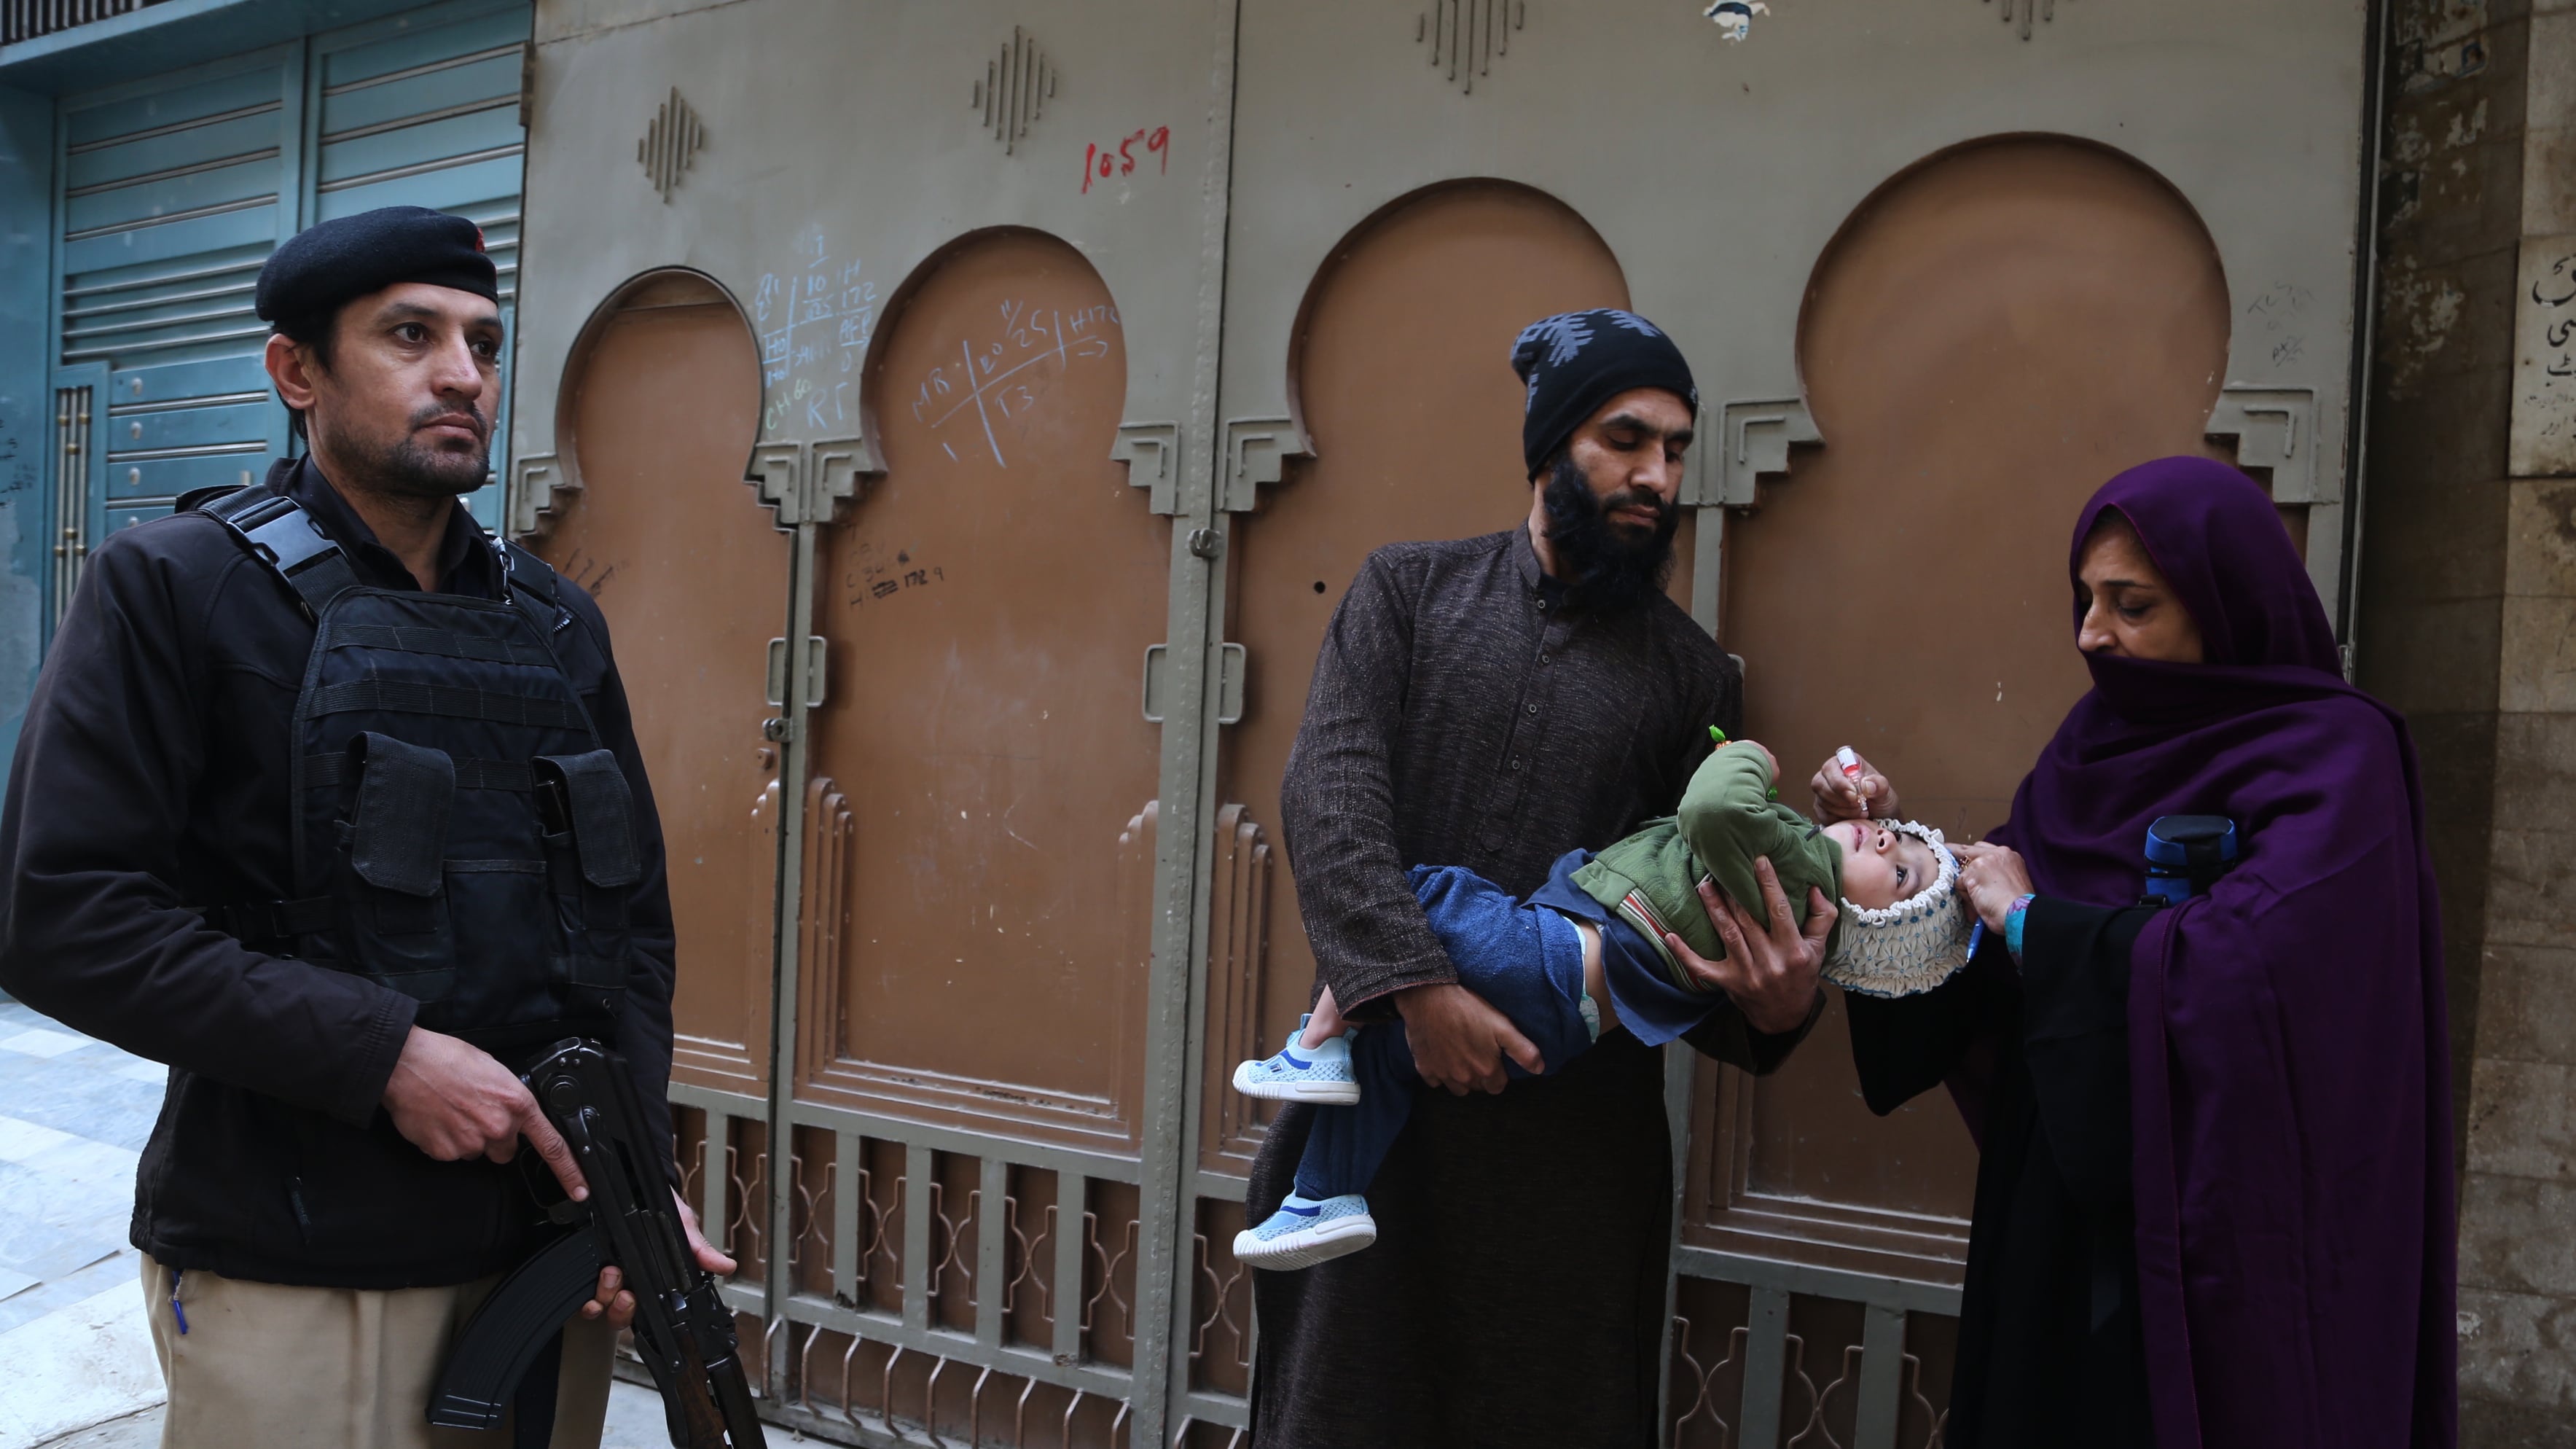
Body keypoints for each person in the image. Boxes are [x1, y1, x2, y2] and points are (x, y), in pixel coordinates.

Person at [0, 206, 731, 1449]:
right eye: (410, 335)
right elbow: (62, 915)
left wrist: (631, 1173)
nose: (463, 374)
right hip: (299, 1264)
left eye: (483, 344)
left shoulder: (558, 623)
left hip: (546, 1249)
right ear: (297, 371)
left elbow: (630, 934)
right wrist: (385, 1054)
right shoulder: (175, 586)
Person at [1248, 308, 1832, 1448]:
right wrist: (1417, 993)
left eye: (1673, 449)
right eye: (1624, 439)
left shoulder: (1692, 678)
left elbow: (1694, 912)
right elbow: (1330, 798)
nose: (1655, 475)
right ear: (1550, 443)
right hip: (1373, 1136)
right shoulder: (1406, 593)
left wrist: (1775, 1007)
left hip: (1567, 1172)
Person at [1839, 456, 2455, 1448]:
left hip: (2235, 1242)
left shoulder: (2336, 756)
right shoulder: (2091, 744)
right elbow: (1989, 946)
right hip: (2056, 1221)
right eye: (2084, 600)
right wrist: (1889, 864)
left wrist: (2036, 924)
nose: (2091, 634)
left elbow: (2259, 968)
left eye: (2131, 605)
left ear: (2224, 606)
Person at [1232, 737, 1973, 1268]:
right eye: (1897, 835)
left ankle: (1314, 1046)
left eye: (1902, 874)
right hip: (1564, 1029)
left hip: (1544, 961)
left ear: (1867, 929)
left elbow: (1713, 807)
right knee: (1382, 1060)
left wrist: (1747, 757)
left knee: (1425, 894)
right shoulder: (1798, 892)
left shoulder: (1799, 864)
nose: (1887, 839)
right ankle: (1321, 1199)